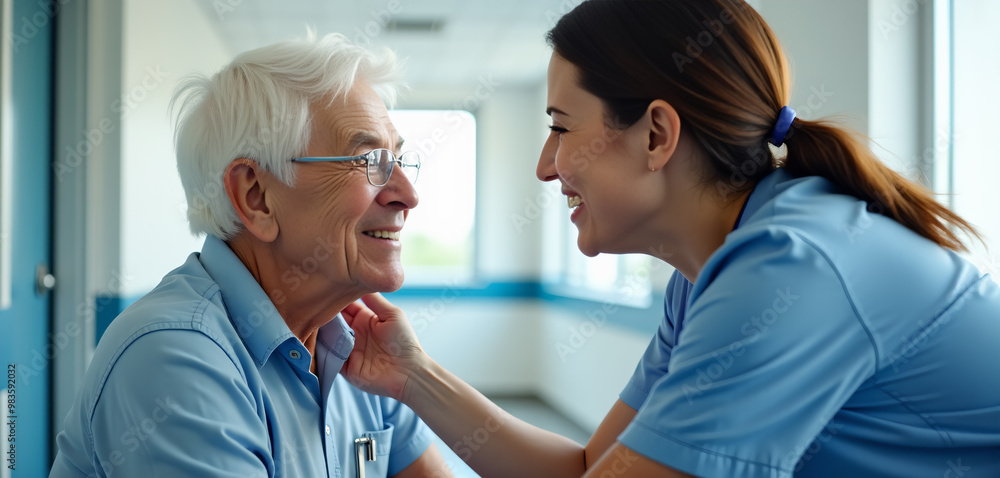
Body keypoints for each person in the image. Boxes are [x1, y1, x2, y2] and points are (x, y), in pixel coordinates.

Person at [338, 1, 1000, 477]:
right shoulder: (711, 273)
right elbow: (586, 468)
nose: (545, 165)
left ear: (656, 134)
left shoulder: (791, 269)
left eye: (561, 127)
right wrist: (414, 377)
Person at [49, 33, 451, 477]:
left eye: (397, 160)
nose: (408, 196)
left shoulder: (363, 350)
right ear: (256, 196)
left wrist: (418, 381)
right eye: (369, 160)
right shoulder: (173, 357)